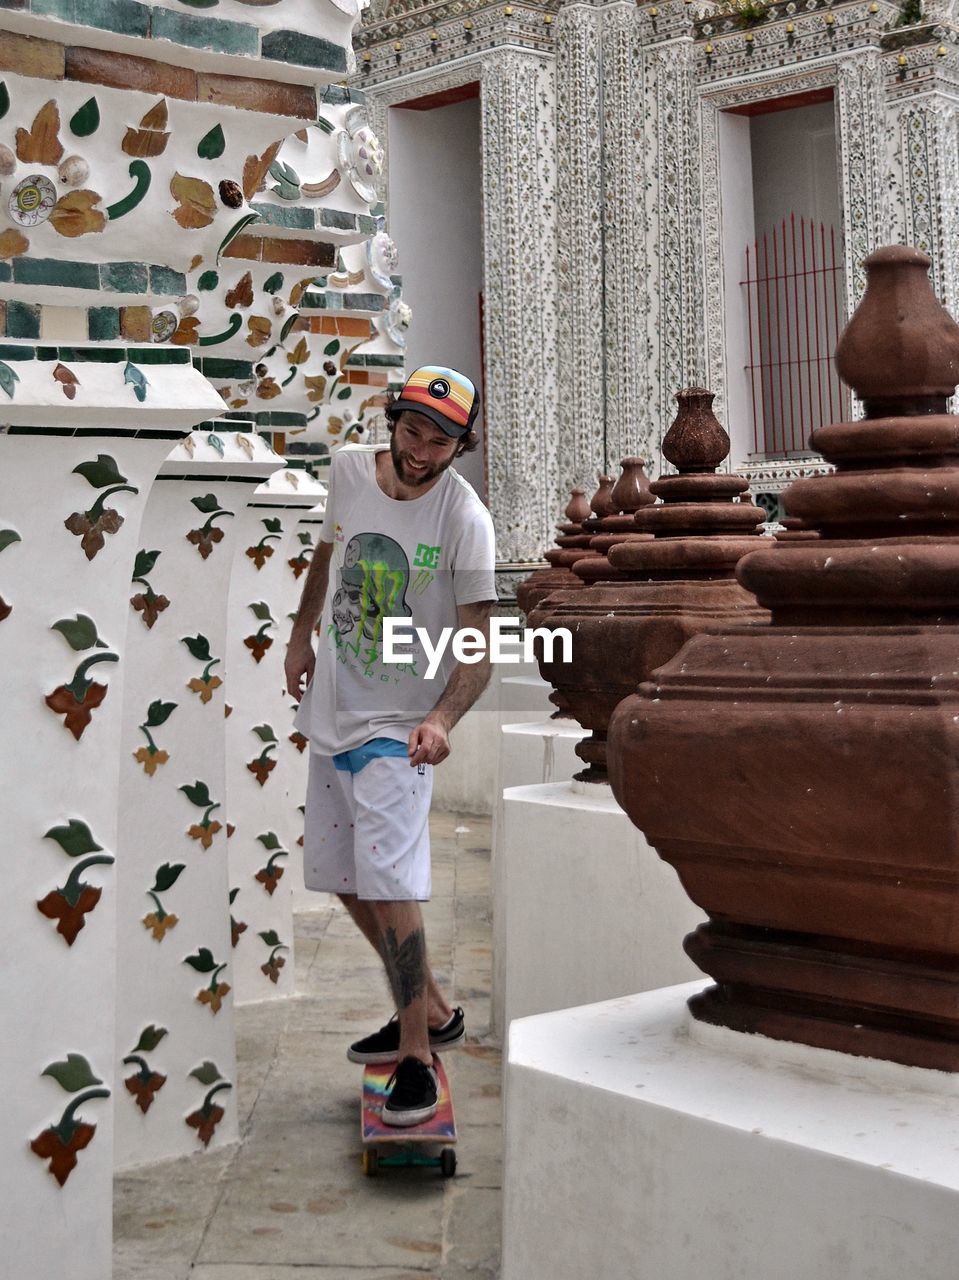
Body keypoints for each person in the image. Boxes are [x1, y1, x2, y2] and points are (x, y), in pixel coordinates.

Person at [285, 365, 497, 1125]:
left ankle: (416, 1053)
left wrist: (440, 719)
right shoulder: (347, 472)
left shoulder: (462, 517)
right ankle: (433, 1007)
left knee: (391, 883)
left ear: (459, 446)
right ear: (392, 419)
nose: (421, 451)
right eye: (412, 431)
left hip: (398, 729)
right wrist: (299, 634)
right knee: (345, 876)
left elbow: (479, 642)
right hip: (333, 710)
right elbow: (326, 553)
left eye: (440, 441)